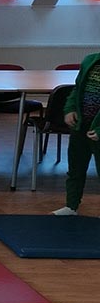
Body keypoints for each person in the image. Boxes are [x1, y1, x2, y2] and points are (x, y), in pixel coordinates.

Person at [51, 51, 100, 216]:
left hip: (97, 130)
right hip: (81, 127)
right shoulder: (90, 61)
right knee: (75, 169)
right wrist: (70, 109)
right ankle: (71, 206)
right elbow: (77, 90)